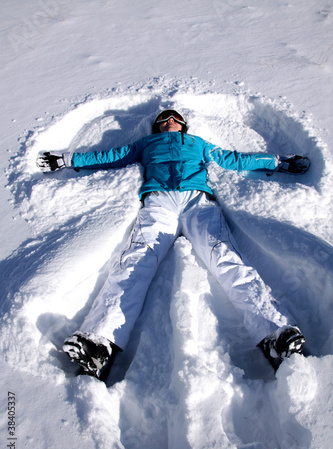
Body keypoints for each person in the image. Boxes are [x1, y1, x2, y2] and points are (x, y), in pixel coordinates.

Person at [38, 109, 309, 380]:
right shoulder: (145, 144)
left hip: (197, 202)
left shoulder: (198, 144)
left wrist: (279, 162)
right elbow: (110, 156)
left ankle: (275, 335)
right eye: (163, 119)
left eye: (174, 118)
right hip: (159, 203)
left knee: (226, 257)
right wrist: (66, 159)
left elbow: (234, 159)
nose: (169, 120)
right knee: (135, 261)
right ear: (157, 127)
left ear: (182, 125)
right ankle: (100, 343)